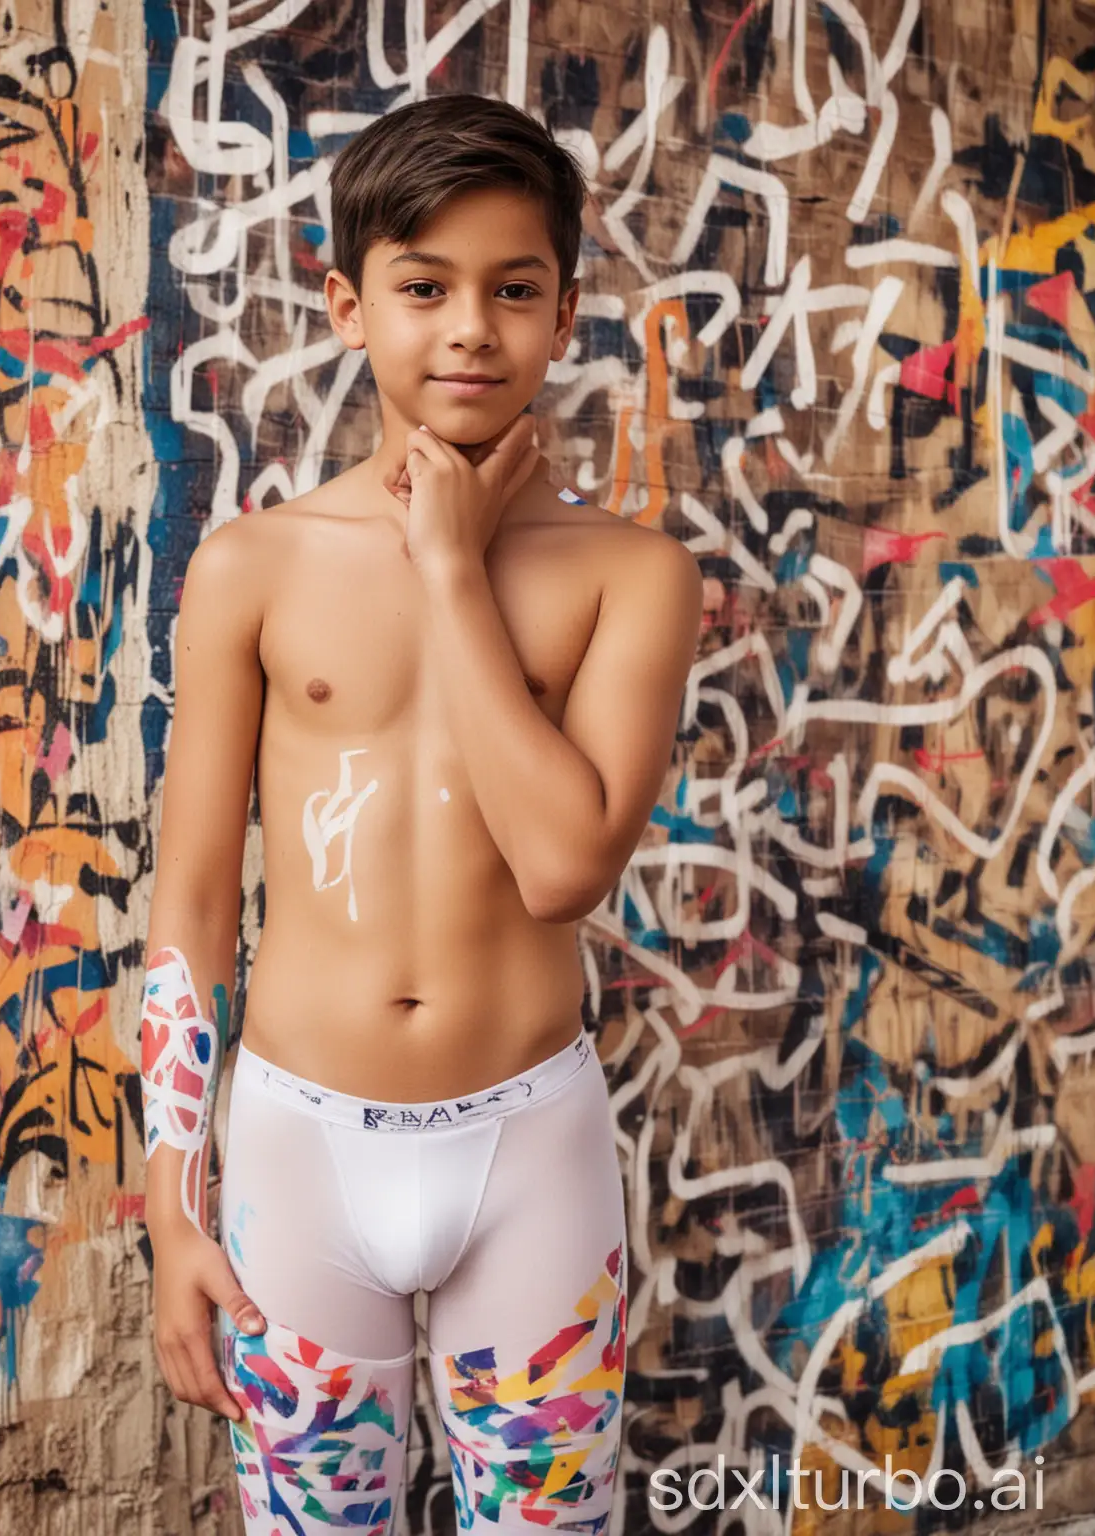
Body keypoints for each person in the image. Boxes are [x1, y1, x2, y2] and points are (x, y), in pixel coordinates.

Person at [141, 91, 703, 1533]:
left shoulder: (630, 577)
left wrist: (453, 569)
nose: (471, 328)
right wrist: (170, 1198)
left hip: (530, 1146)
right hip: (291, 1151)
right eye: (425, 287)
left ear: (565, 312)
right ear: (347, 305)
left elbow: (565, 866)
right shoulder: (253, 568)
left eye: (515, 290)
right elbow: (196, 900)